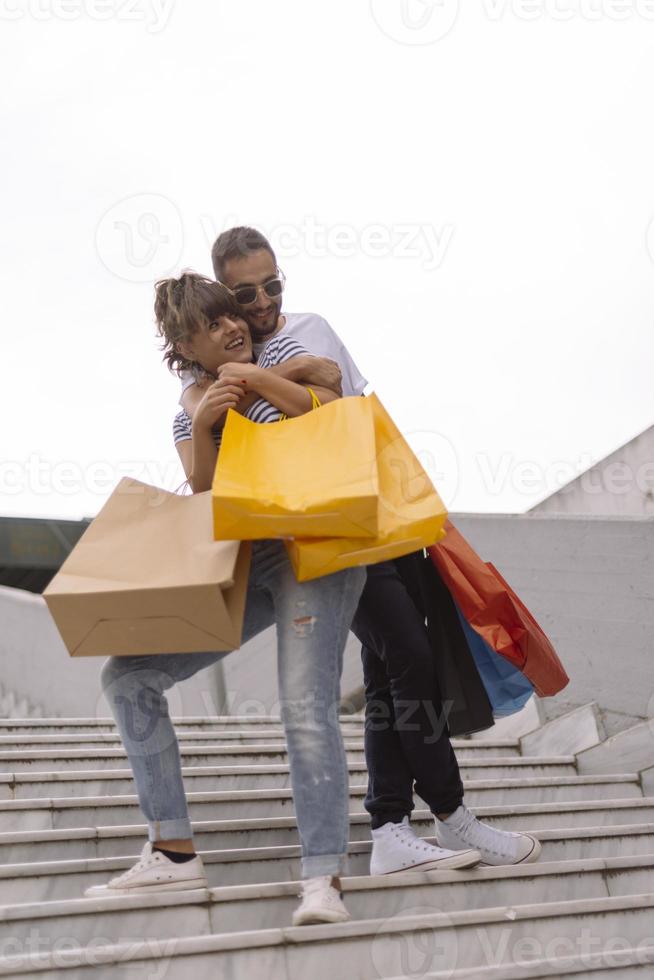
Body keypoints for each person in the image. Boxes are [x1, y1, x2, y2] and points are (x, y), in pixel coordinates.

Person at [177, 226, 542, 873]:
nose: (261, 303)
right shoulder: (209, 386)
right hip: (320, 537)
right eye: (243, 295)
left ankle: (390, 828)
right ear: (221, 304)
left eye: (272, 285)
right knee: (407, 653)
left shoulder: (302, 331)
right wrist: (235, 385)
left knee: (386, 673)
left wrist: (257, 373)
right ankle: (452, 815)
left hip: (376, 511)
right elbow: (209, 471)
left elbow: (334, 394)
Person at [85, 275, 398, 927]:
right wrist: (203, 418)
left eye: (232, 314)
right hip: (246, 564)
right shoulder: (189, 406)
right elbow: (201, 489)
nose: (233, 325)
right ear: (183, 343)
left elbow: (326, 404)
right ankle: (172, 853)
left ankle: (322, 878)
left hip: (314, 550)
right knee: (127, 676)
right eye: (213, 323)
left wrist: (253, 378)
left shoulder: (278, 356)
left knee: (303, 705)